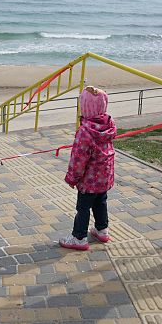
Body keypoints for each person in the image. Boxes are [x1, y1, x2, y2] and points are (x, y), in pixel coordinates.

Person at [59, 86, 117, 251]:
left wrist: (72, 178)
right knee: (101, 202)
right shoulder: (109, 125)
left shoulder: (85, 131)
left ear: (84, 107)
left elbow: (78, 159)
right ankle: (102, 230)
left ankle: (79, 237)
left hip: (89, 180)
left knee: (83, 208)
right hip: (104, 177)